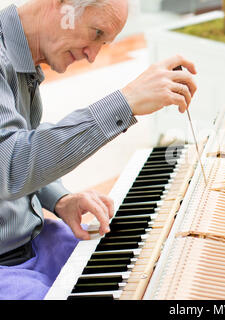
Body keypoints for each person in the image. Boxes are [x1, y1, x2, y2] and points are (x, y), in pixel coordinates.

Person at [0, 0, 197, 299]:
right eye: (96, 33)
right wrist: (126, 101)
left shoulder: (21, 59)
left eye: (103, 43)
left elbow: (19, 136)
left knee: (145, 266)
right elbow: (9, 165)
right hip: (7, 262)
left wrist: (60, 198)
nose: (92, 56)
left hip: (33, 239)